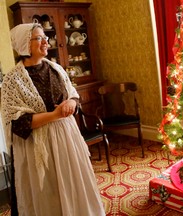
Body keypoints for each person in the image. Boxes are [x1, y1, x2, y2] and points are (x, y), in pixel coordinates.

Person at [1, 23, 106, 216]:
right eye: (39, 38)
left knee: (72, 183)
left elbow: (72, 93)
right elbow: (17, 123)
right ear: (25, 44)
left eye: (45, 37)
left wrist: (72, 103)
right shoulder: (12, 80)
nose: (46, 41)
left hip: (66, 138)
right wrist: (55, 115)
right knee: (47, 192)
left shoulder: (55, 68)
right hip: (37, 146)